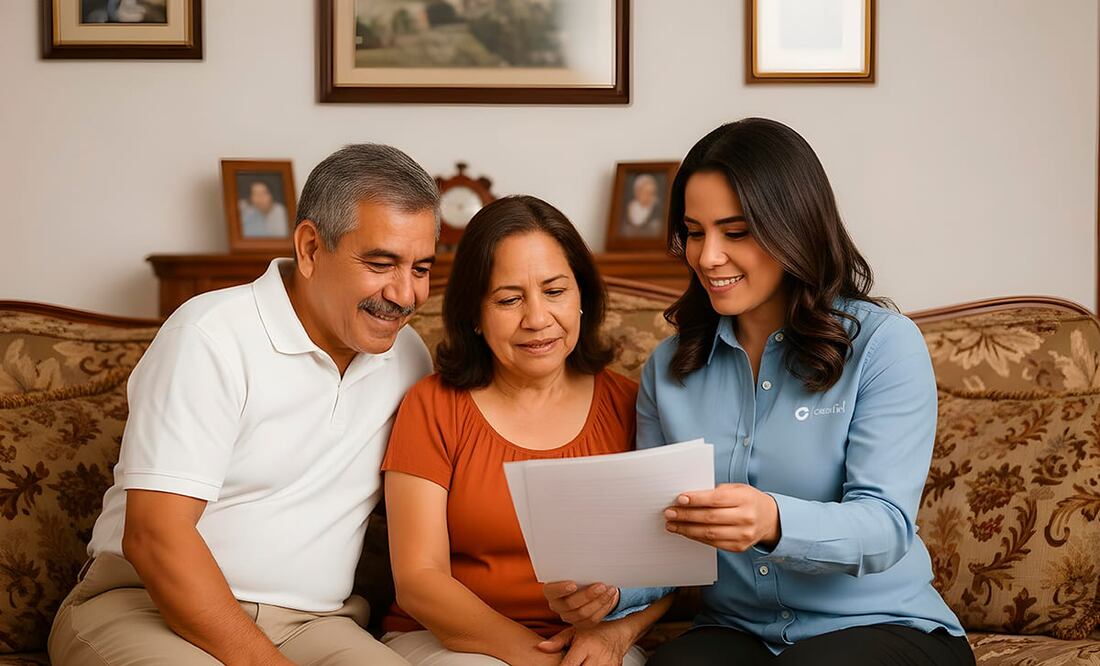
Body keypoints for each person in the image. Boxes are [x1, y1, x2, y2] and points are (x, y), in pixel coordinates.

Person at [543, 118, 976, 666]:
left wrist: (774, 520)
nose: (708, 257)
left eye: (737, 231)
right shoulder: (669, 369)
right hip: (737, 631)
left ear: (793, 226)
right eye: (695, 232)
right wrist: (607, 592)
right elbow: (664, 543)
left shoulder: (884, 346)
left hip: (884, 625)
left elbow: (885, 526)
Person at [48, 143, 440, 665]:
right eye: (381, 262)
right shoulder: (210, 335)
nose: (405, 294)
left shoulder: (408, 356)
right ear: (309, 247)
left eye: (421, 268)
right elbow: (154, 535)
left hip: (316, 625)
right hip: (145, 607)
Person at [380, 195, 671, 665]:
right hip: (447, 640)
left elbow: (668, 567)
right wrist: (537, 659)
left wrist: (616, 636)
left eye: (555, 292)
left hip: (591, 645)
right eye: (509, 299)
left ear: (583, 298)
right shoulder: (431, 406)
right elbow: (418, 580)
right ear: (474, 314)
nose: (537, 319)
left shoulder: (632, 407)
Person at [622, 173, 662, 238]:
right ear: (637, 192)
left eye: (651, 193)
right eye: (646, 192)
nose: (649, 196)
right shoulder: (628, 209)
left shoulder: (656, 211)